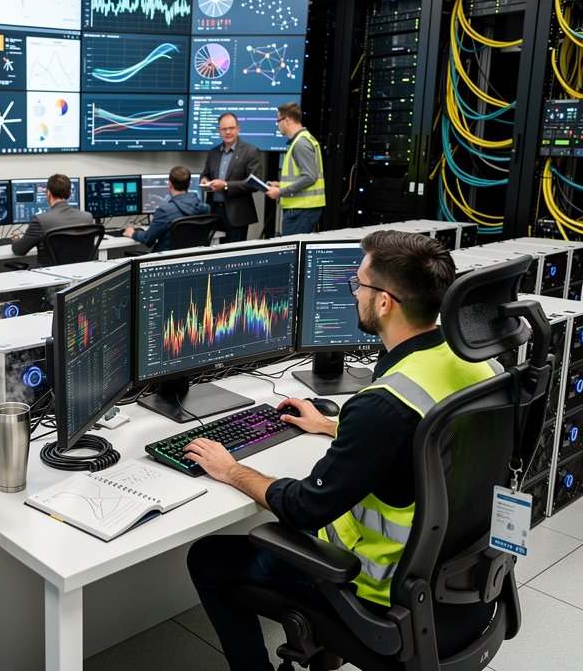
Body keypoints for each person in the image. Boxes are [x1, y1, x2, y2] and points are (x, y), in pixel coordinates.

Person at [183, 230, 498, 671]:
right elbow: (426, 438)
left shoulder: (381, 406)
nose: (354, 295)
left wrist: (231, 469)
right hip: (466, 586)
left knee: (207, 558)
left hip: (379, 592)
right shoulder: (478, 362)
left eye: (358, 285)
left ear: (385, 302)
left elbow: (304, 508)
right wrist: (333, 425)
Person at [199, 112, 264, 243]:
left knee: (232, 255)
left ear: (238, 128)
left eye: (231, 128)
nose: (228, 132)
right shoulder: (213, 152)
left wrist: (226, 185)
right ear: (219, 131)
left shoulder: (251, 151)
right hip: (213, 211)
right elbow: (205, 173)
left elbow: (254, 184)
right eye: (224, 129)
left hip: (237, 214)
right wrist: (204, 179)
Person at [266, 102, 325, 235]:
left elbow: (310, 176)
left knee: (293, 254)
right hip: (302, 210)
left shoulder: (300, 144)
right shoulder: (303, 140)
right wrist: (280, 184)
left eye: (278, 121)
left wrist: (280, 192)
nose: (277, 124)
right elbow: (304, 176)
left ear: (287, 120)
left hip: (301, 211)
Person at [10, 173, 93, 267]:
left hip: (51, 276)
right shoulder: (87, 217)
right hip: (81, 275)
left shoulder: (40, 220)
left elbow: (19, 250)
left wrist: (15, 239)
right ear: (70, 193)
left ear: (48, 193)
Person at [123, 166, 210, 252]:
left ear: (170, 185)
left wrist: (133, 233)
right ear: (190, 184)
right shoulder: (204, 208)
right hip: (192, 258)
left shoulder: (165, 211)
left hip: (165, 259)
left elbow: (148, 239)